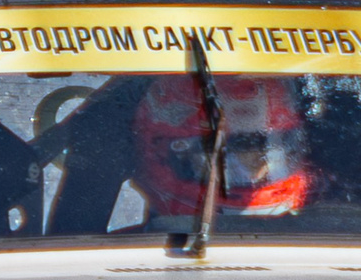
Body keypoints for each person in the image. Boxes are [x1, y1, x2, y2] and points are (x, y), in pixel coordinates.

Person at [129, 75, 315, 221]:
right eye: (228, 160)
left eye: (268, 154)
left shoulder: (326, 233)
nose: (255, 175)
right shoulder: (112, 253)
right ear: (161, 154)